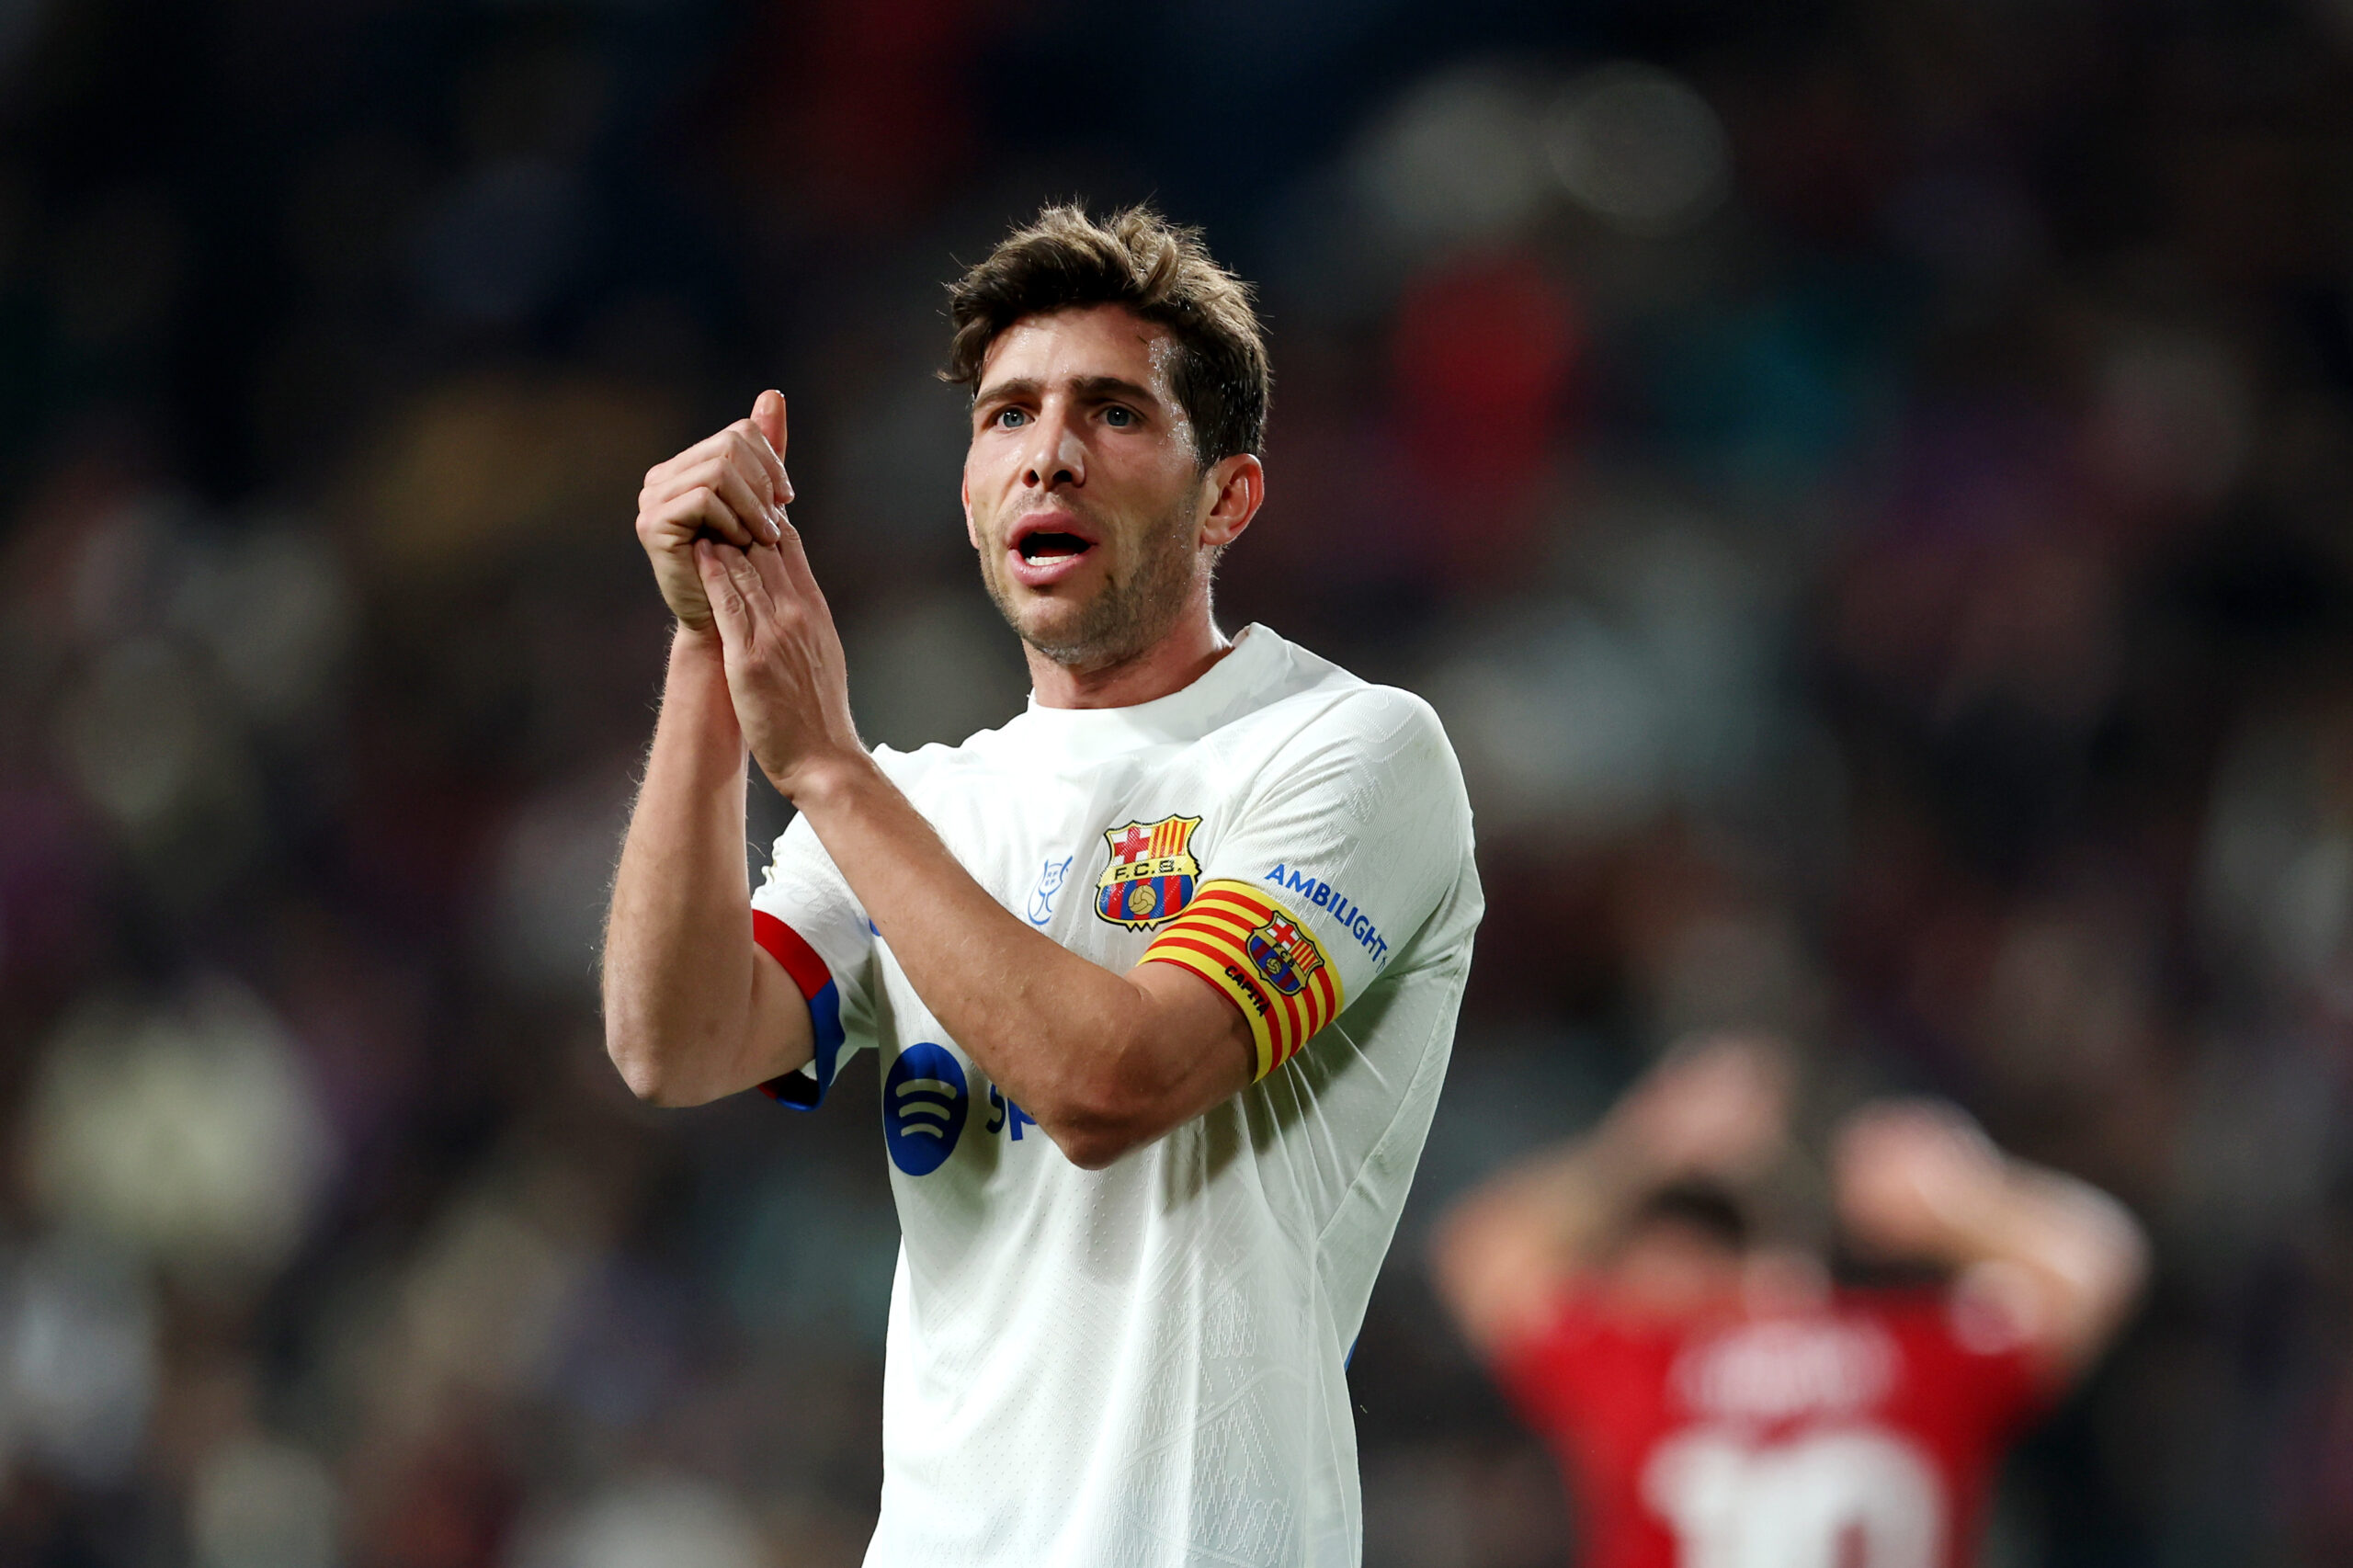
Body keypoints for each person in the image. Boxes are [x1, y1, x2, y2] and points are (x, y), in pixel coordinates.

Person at [600, 204, 1483, 1566]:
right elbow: (676, 1041)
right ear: (969, 490)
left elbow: (1113, 1084)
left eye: (1114, 413)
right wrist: (705, 644)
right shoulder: (927, 805)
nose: (1049, 454)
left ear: (1226, 498)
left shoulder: (1349, 748)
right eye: (1006, 416)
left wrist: (829, 769)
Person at [1429, 1034, 2148, 1568]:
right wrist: (1959, 1198)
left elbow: (1476, 1251)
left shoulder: (1642, 1364)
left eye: (1693, 1241)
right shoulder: (1915, 1357)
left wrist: (1634, 1149)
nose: (1655, 1267)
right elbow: (2097, 1263)